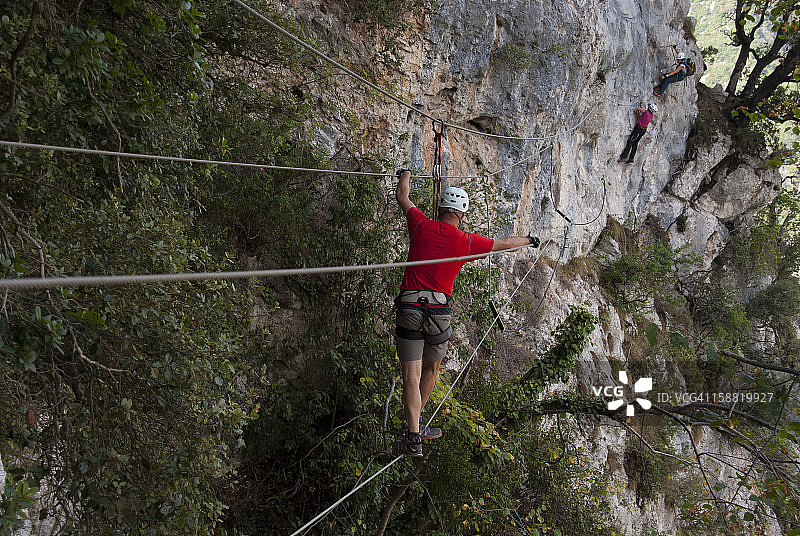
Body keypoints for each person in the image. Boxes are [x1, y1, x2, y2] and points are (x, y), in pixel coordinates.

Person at [393, 169, 539, 456]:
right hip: (439, 314)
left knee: (410, 374)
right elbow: (505, 245)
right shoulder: (466, 241)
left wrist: (406, 174)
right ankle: (417, 426)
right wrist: (529, 239)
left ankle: (413, 436)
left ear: (440, 208)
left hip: (410, 307)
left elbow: (403, 196)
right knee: (431, 368)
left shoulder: (420, 224)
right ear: (462, 214)